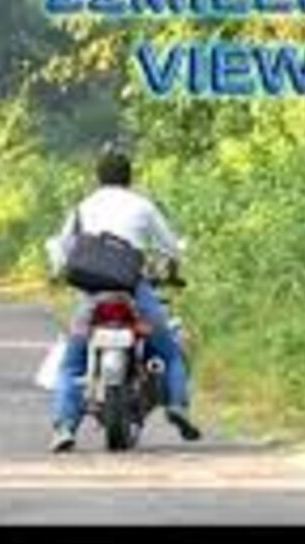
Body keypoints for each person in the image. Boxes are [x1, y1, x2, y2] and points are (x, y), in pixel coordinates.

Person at [48, 144, 201, 452]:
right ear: (129, 176)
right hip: (134, 290)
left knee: (71, 365)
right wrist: (173, 264)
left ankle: (65, 426)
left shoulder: (84, 205)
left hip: (92, 294)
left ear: (98, 177)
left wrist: (58, 272)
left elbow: (62, 246)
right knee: (169, 351)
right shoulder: (143, 206)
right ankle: (177, 405)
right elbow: (170, 246)